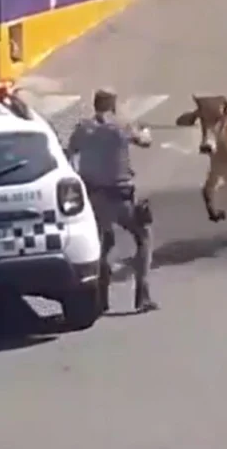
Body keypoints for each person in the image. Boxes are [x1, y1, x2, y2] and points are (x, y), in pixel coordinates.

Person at [66, 88, 159, 314]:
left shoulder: (83, 128)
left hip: (95, 197)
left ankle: (102, 297)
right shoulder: (121, 127)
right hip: (122, 196)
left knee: (103, 244)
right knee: (144, 236)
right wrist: (145, 129)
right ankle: (143, 295)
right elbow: (145, 141)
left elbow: (70, 153)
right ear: (114, 105)